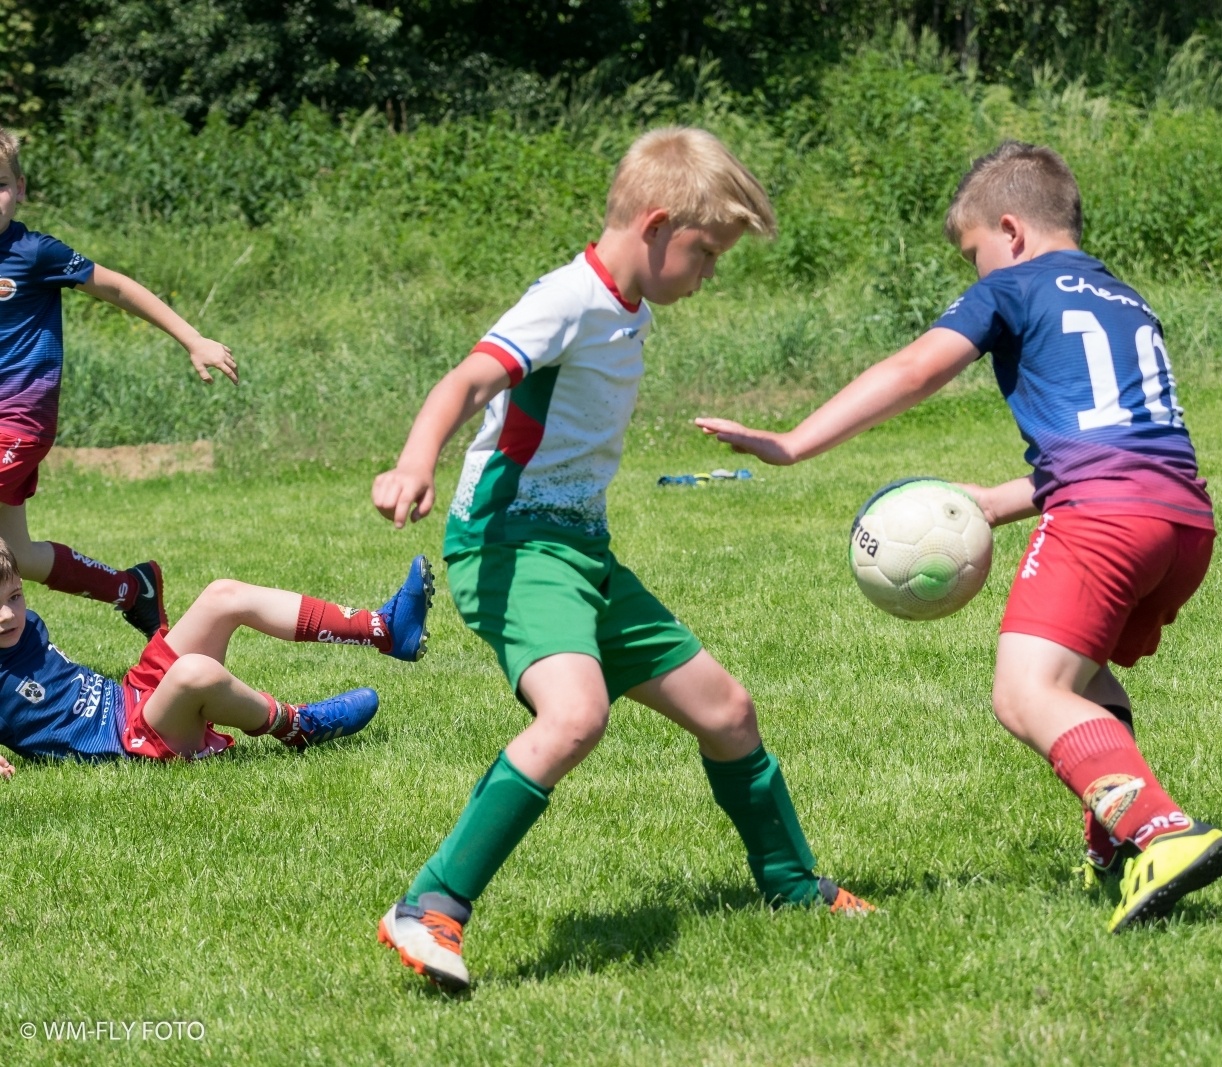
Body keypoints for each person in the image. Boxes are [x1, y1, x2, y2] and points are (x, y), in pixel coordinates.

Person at [371, 126, 872, 993]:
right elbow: (468, 380)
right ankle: (430, 905)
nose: (707, 274)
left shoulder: (628, 304)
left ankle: (792, 886)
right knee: (575, 716)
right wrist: (417, 459)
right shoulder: (567, 299)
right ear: (657, 223)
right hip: (510, 544)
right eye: (706, 253)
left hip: (580, 553)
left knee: (727, 712)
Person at [697, 141, 1222, 932]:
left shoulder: (1013, 284)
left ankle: (1160, 832)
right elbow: (1122, 446)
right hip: (1184, 518)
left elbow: (916, 368)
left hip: (1104, 519)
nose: (976, 271)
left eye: (972, 253)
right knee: (1081, 680)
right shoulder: (1125, 298)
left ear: (1010, 231)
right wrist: (993, 501)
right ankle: (1113, 850)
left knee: (1026, 692)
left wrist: (794, 441)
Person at [0, 126, 237, 637]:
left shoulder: (34, 253)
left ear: (19, 188)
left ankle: (24, 651)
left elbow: (117, 287)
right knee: (18, 554)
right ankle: (133, 589)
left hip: (18, 422)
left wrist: (192, 338)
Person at [0, 542, 432, 778]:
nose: (8, 614)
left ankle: (383, 629)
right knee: (194, 673)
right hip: (131, 743)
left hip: (133, 699)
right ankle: (299, 725)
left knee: (223, 595)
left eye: (15, 596)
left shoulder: (26, 624)